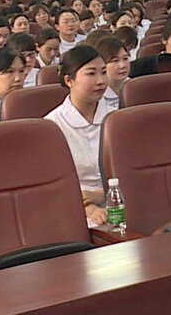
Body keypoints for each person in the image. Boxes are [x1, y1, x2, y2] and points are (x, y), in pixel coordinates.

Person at [44, 45, 110, 227]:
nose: (101, 81)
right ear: (69, 80)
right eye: (91, 74)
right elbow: (53, 185)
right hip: (71, 207)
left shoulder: (117, 118)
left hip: (119, 199)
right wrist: (89, 208)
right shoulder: (52, 126)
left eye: (104, 72)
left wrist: (101, 194)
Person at [94, 36, 130, 112]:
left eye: (125, 58)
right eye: (115, 61)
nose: (122, 65)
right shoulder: (96, 94)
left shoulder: (134, 87)